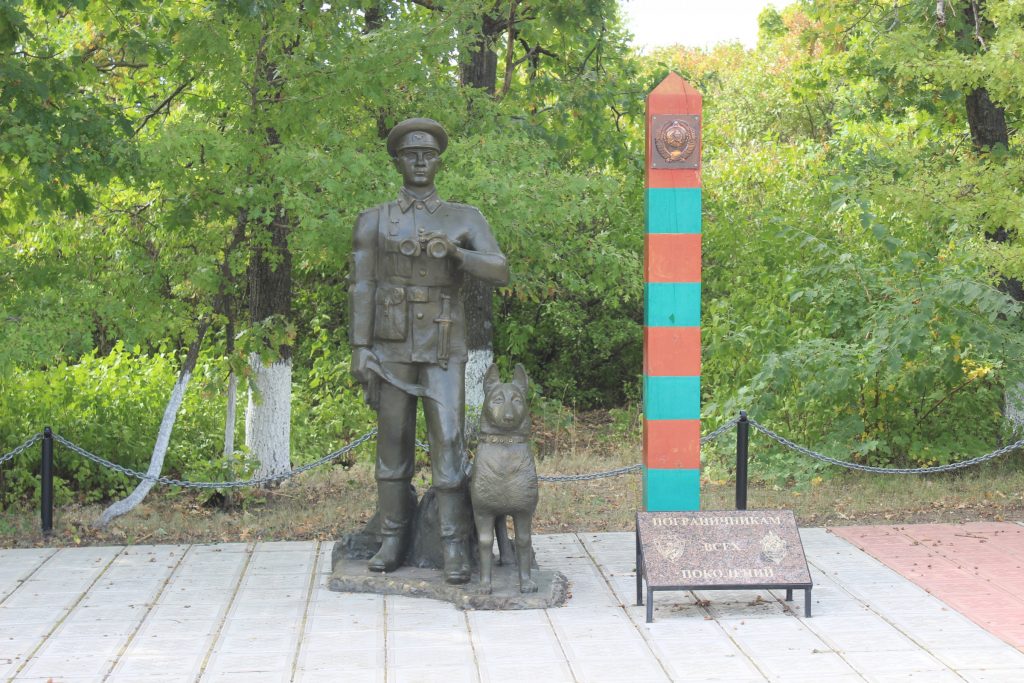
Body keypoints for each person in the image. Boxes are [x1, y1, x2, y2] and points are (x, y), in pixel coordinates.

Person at [348, 118, 510, 584]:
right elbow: (362, 286)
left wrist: (459, 256)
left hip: (442, 344)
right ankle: (393, 536)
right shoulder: (373, 219)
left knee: (449, 440)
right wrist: (360, 347)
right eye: (410, 155)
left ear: (439, 160)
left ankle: (454, 544)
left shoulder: (464, 217)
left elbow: (499, 270)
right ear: (397, 161)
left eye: (428, 155)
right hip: (390, 343)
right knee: (392, 444)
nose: (419, 162)